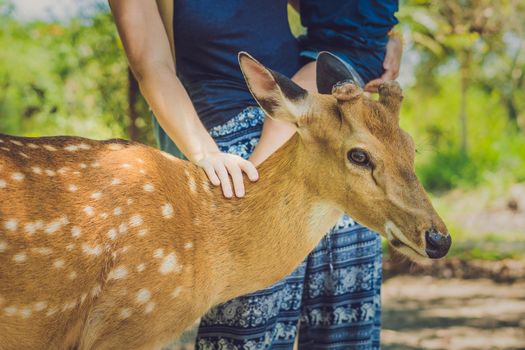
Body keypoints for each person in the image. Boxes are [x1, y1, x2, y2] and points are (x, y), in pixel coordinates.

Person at [109, 1, 401, 348]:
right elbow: (151, 66)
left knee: (347, 286)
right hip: (223, 130)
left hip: (304, 116)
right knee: (253, 318)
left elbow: (340, 18)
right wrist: (205, 152)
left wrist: (387, 38)